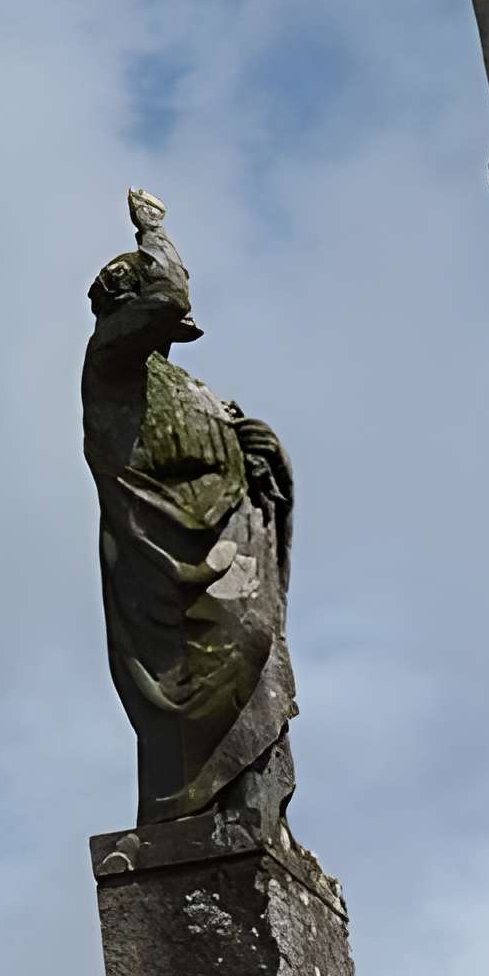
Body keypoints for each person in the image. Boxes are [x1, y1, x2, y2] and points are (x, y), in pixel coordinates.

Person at [84, 189, 297, 832]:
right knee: (217, 667)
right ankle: (190, 815)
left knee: (259, 661)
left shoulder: (189, 387)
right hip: (167, 566)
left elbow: (243, 466)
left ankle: (250, 810)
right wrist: (154, 234)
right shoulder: (110, 365)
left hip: (231, 546)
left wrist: (259, 450)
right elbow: (168, 296)